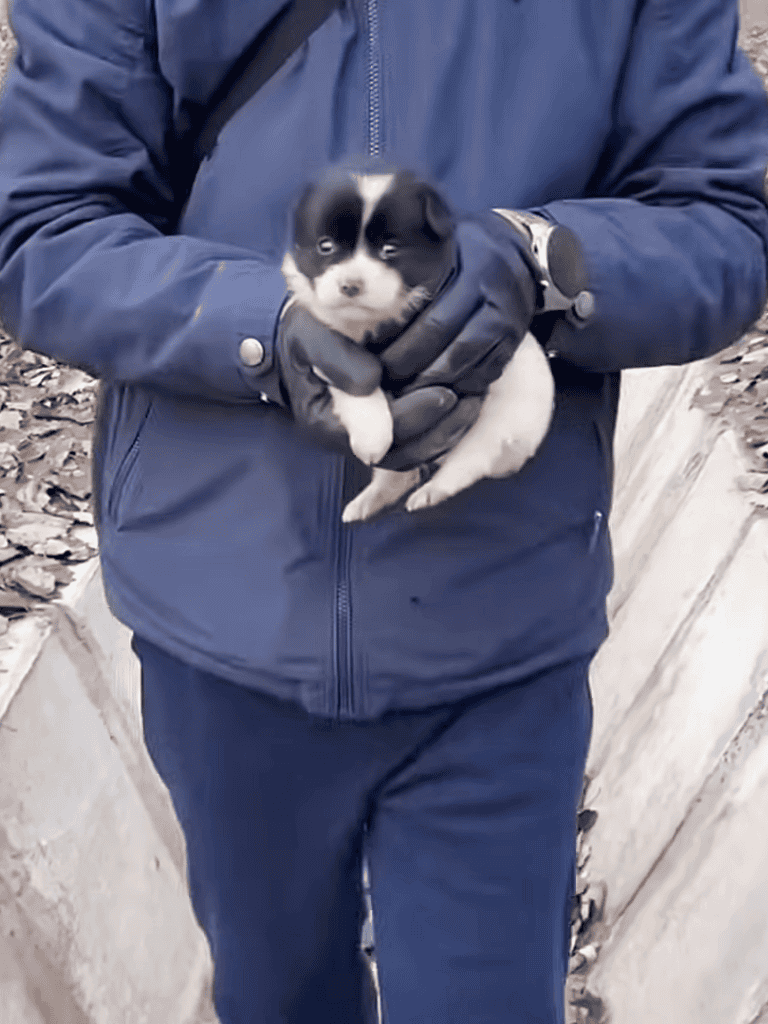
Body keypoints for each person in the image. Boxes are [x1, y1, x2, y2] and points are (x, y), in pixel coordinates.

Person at [0, 1, 766, 1021]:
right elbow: (43, 226)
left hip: (499, 630)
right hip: (220, 614)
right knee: (278, 996)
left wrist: (542, 262)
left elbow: (724, 220)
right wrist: (260, 330)